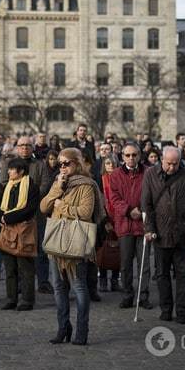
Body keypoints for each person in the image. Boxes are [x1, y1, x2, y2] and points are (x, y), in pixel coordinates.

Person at [41, 148, 104, 346]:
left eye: (66, 163)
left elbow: (86, 213)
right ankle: (63, 327)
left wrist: (62, 207)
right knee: (59, 288)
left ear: (77, 163)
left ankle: (82, 331)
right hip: (56, 242)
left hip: (75, 242)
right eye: (60, 164)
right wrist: (58, 188)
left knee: (79, 287)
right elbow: (44, 207)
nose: (63, 167)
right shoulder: (58, 183)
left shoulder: (87, 185)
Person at [141, 147, 185, 324]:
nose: (172, 167)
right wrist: (149, 229)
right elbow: (146, 204)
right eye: (168, 164)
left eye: (175, 164)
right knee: (162, 274)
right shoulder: (150, 174)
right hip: (160, 233)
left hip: (182, 234)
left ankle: (182, 311)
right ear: (162, 160)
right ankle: (166, 309)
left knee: (183, 275)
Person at [0, 136, 52, 294]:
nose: (24, 148)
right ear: (16, 147)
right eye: (21, 145)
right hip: (13, 214)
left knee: (41, 249)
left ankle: (43, 281)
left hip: (36, 214)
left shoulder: (40, 165)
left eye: (28, 145)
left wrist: (32, 195)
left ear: (32, 147)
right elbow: (3, 183)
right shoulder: (9, 165)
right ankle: (20, 284)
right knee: (17, 249)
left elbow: (45, 184)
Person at [109, 143, 151, 309]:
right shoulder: (116, 175)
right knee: (125, 264)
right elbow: (113, 198)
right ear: (122, 157)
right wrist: (127, 210)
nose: (131, 158)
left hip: (144, 223)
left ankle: (144, 296)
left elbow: (153, 195)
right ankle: (127, 294)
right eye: (128, 155)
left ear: (139, 155)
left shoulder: (148, 172)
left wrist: (141, 210)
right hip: (125, 223)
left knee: (144, 264)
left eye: (134, 155)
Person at [0, 158, 41, 311]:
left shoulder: (32, 187)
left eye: (12, 169)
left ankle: (27, 300)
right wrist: (3, 218)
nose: (9, 172)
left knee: (25, 267)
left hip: (24, 230)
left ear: (21, 171)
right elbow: (1, 207)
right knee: (9, 268)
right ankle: (11, 298)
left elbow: (29, 209)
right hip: (7, 231)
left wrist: (8, 218)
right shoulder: (7, 187)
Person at [98, 155, 120, 292]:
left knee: (118, 251)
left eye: (113, 163)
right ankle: (103, 280)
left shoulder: (121, 179)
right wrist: (105, 220)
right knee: (104, 250)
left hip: (119, 218)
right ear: (103, 166)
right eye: (107, 163)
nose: (110, 166)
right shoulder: (100, 180)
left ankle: (115, 280)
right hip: (104, 219)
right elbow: (99, 203)